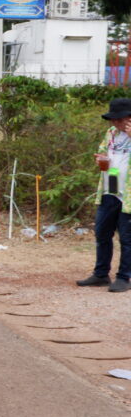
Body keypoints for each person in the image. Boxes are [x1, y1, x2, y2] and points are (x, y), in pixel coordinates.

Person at [75, 98, 131, 293]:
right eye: (112, 119)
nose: (115, 122)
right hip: (110, 187)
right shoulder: (111, 133)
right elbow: (101, 151)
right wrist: (100, 159)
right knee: (102, 232)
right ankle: (101, 274)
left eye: (120, 119)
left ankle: (124, 277)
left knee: (127, 238)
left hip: (128, 195)